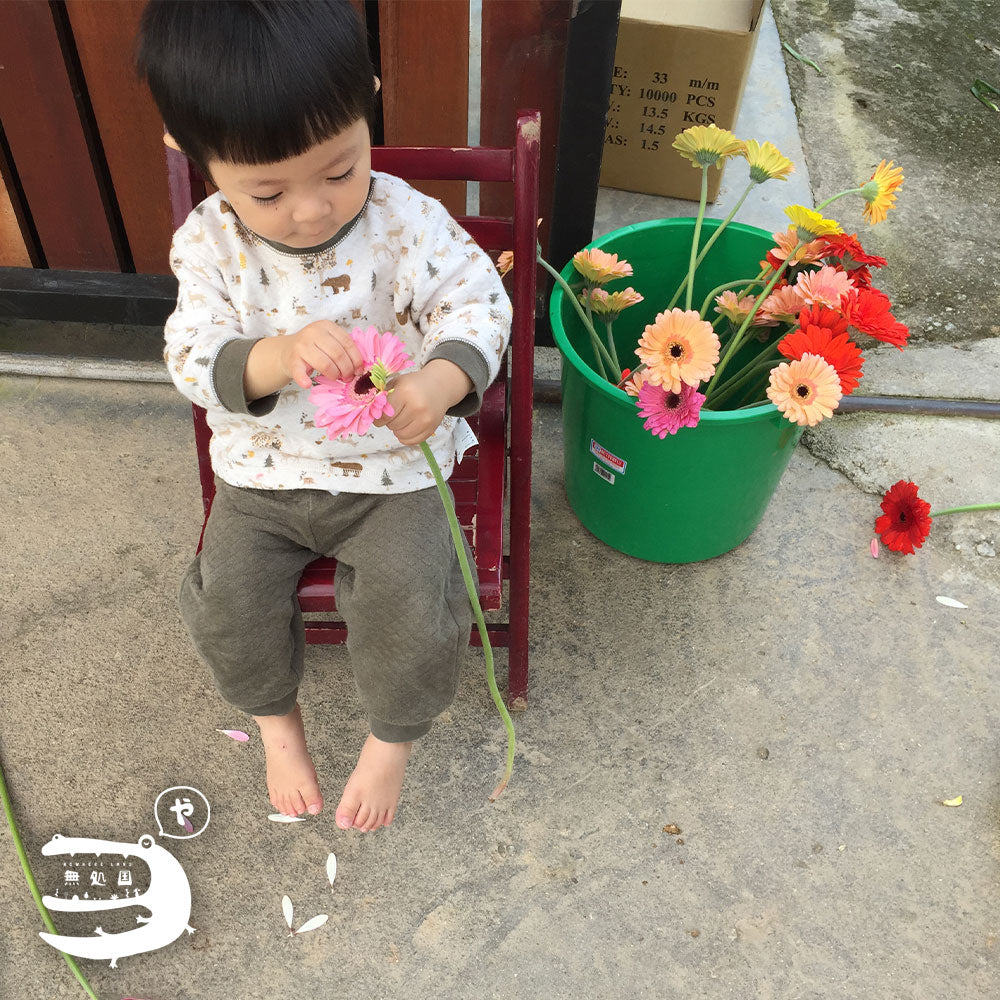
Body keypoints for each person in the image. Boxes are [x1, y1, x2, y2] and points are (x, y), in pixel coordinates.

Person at [135, 0, 511, 832]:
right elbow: (189, 354)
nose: (312, 210)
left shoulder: (404, 223)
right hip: (263, 477)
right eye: (266, 190)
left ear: (367, 102)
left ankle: (392, 738)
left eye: (340, 170)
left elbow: (478, 302)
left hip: (394, 476)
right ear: (191, 155)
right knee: (227, 603)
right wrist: (272, 357)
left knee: (413, 603)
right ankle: (277, 725)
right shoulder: (209, 246)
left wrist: (444, 382)